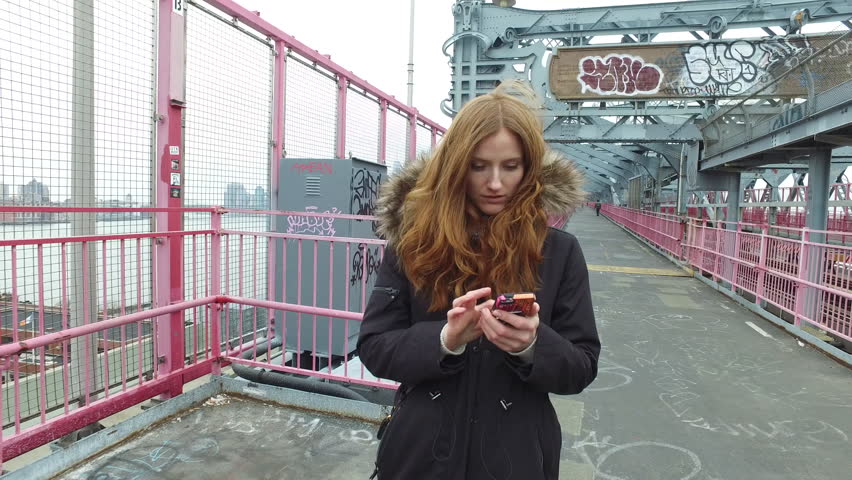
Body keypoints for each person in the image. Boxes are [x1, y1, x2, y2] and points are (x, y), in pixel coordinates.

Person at [358, 82, 600, 480]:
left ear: (529, 168)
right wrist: (444, 340)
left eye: (511, 166)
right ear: (456, 166)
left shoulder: (561, 251)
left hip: (517, 459)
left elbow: (582, 367)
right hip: (419, 457)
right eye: (478, 166)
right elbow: (374, 346)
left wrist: (532, 345)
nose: (495, 183)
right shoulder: (412, 244)